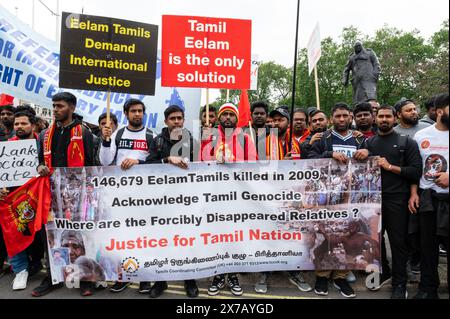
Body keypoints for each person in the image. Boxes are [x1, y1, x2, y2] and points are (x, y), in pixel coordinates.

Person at [32, 92, 95, 297]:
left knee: (79, 236)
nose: (56, 110)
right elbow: (39, 161)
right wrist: (41, 165)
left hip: (77, 196)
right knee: (51, 236)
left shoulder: (84, 133)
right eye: (54, 106)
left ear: (72, 108)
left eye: (60, 106)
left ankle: (85, 279)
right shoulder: (44, 135)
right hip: (50, 195)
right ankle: (53, 276)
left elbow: (92, 164)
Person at [308, 102, 369, 298]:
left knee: (347, 236)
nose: (341, 119)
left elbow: (372, 159)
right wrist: (329, 154)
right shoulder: (323, 138)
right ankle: (322, 275)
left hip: (352, 199)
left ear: (350, 117)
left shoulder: (360, 140)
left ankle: (341, 276)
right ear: (331, 118)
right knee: (328, 236)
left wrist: (367, 153)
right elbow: (309, 157)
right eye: (338, 116)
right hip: (328, 199)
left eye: (345, 116)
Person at [365, 105, 422, 299]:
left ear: (395, 118)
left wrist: (389, 166)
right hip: (372, 201)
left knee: (398, 243)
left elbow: (415, 171)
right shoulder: (369, 142)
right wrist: (359, 154)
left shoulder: (407, 142)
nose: (384, 119)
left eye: (388, 116)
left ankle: (400, 283)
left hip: (398, 199)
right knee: (375, 241)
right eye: (380, 116)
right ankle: (383, 272)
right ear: (375, 118)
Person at [200, 103, 257, 296]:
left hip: (238, 196)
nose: (227, 118)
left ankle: (232, 275)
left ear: (236, 118)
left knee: (234, 237)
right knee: (217, 237)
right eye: (224, 115)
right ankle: (218, 274)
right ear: (219, 118)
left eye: (231, 115)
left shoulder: (245, 138)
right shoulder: (210, 136)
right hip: (215, 196)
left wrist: (233, 162)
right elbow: (201, 163)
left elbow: (253, 165)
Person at [100, 98, 154, 294]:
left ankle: (144, 279)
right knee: (123, 239)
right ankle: (123, 276)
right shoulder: (118, 133)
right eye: (133, 111)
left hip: (143, 197)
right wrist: (106, 141)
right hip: (120, 197)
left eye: (140, 111)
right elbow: (105, 161)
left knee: (143, 238)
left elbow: (157, 164)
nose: (137, 114)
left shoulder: (151, 135)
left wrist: (138, 162)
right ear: (126, 113)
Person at [145, 105, 199, 298]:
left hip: (186, 200)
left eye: (180, 118)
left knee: (187, 242)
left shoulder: (191, 141)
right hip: (162, 201)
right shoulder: (157, 141)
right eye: (173, 118)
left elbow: (202, 169)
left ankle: (189, 279)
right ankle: (160, 281)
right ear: (166, 121)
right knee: (161, 242)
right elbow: (147, 166)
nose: (177, 121)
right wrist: (167, 159)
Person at [0, 111, 44, 290]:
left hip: (37, 196)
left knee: (39, 235)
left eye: (23, 123)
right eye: (16, 124)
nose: (19, 127)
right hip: (13, 198)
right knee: (14, 233)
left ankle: (42, 265)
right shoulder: (6, 146)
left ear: (32, 126)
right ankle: (20, 270)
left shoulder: (42, 144)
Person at [411, 93, 449, 299]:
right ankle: (427, 288)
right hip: (429, 199)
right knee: (428, 247)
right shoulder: (422, 136)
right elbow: (416, 168)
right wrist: (414, 193)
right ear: (440, 111)